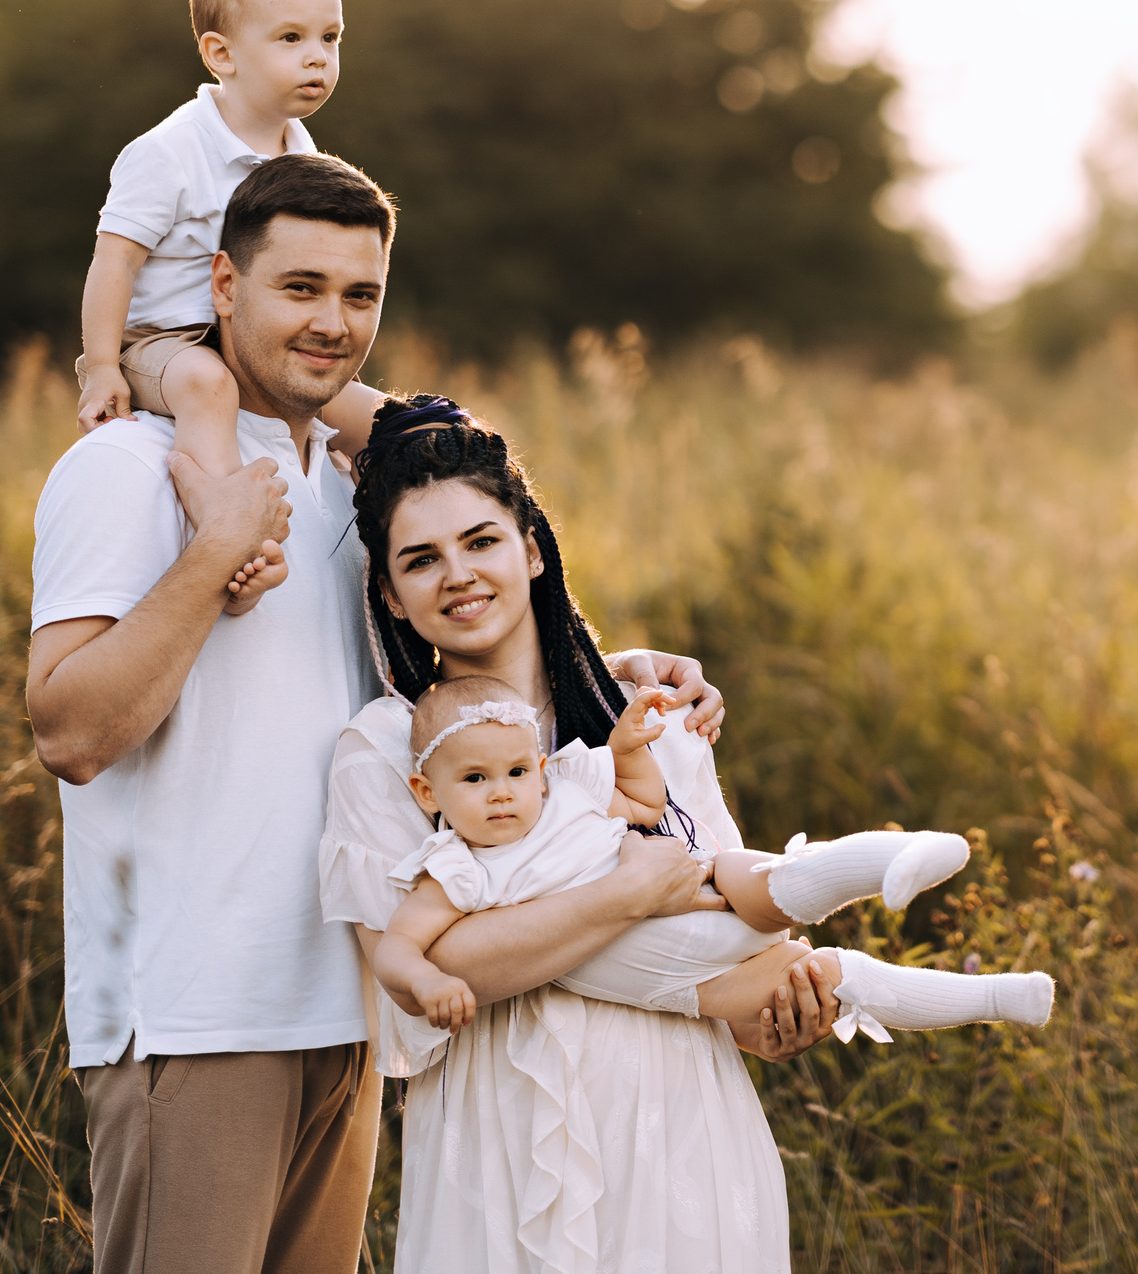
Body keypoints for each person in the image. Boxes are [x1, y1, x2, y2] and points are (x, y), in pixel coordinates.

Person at [28, 154, 781, 1274]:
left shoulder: (346, 490)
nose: (333, 322)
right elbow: (70, 730)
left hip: (356, 1009)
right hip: (199, 1011)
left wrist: (600, 668)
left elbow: (441, 675)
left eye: (361, 294)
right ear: (223, 287)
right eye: (299, 288)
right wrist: (219, 547)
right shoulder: (131, 470)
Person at [320, 397, 864, 1274]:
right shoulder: (385, 751)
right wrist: (624, 894)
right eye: (421, 560)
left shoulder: (651, 719)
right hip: (497, 1144)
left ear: (532, 546)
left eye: (481, 541)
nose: (457, 574)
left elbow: (733, 927)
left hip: (682, 1136)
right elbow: (425, 975)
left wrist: (776, 1015)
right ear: (390, 593)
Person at [376, 672, 1054, 1038]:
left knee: (760, 875)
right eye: (474, 780)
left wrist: (628, 748)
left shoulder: (565, 790)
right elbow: (397, 950)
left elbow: (644, 803)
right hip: (676, 979)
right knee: (827, 976)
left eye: (517, 772)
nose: (503, 794)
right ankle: (999, 995)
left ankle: (904, 854)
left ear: (538, 767)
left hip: (703, 884)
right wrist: (429, 982)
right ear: (426, 790)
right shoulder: (455, 866)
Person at [72, 0, 385, 613]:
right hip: (163, 344)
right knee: (209, 389)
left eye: (331, 38)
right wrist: (101, 364)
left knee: (375, 414)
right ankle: (228, 542)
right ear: (221, 54)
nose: (318, 58)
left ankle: (401, 540)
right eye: (291, 38)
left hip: (250, 339)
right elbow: (114, 258)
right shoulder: (170, 151)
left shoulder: (303, 158)